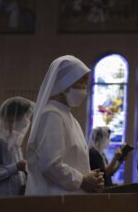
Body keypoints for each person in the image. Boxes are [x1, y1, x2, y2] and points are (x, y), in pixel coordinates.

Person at [25, 55, 104, 195]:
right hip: (55, 200)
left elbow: (72, 160)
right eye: (81, 82)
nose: (85, 88)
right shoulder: (51, 114)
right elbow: (50, 165)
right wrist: (82, 180)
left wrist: (90, 177)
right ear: (65, 83)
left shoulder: (68, 116)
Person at [0, 97, 34, 196]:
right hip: (0, 194)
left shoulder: (14, 138)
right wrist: (16, 167)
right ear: (11, 116)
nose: (27, 121)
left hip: (16, 193)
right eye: (23, 116)